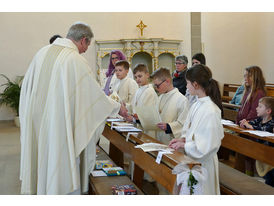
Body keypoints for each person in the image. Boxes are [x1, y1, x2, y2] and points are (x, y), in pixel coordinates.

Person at [19, 22, 127, 195]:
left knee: (40, 162)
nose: (85, 50)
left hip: (37, 122)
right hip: (58, 126)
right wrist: (116, 107)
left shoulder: (41, 53)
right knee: (58, 161)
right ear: (83, 40)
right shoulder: (75, 60)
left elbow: (26, 90)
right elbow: (93, 97)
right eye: (87, 46)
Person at [169, 64, 224, 195]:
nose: (186, 87)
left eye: (187, 83)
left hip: (203, 164)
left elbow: (208, 146)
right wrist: (182, 139)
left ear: (196, 84)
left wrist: (185, 144)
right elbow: (190, 129)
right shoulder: (197, 104)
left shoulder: (210, 110)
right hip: (192, 160)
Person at [240, 97, 274, 186]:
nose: (256, 108)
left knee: (271, 176)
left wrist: (251, 127)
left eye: (260, 106)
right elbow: (250, 123)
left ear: (268, 111)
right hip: (262, 152)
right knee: (268, 177)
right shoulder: (259, 120)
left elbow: (266, 129)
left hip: (271, 154)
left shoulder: (272, 122)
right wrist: (245, 123)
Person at [151, 67, 189, 145]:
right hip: (159, 140)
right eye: (155, 86)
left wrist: (168, 127)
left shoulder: (182, 100)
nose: (156, 89)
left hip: (173, 144)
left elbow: (184, 124)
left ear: (167, 81)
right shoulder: (160, 97)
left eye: (157, 85)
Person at [125, 63, 158, 137]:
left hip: (147, 131)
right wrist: (125, 107)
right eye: (135, 77)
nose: (137, 79)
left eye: (140, 76)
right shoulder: (139, 90)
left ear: (147, 75)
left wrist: (134, 119)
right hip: (138, 126)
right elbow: (133, 106)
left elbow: (149, 115)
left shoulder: (150, 92)